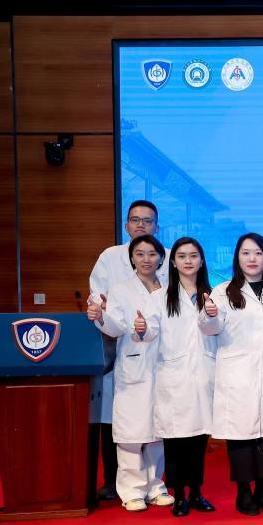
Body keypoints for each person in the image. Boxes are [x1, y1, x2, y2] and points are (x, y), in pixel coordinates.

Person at [88, 201, 167, 501]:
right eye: (135, 220)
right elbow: (112, 320)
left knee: (159, 429)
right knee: (130, 430)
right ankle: (131, 491)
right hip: (130, 359)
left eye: (147, 221)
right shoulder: (117, 278)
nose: (146, 259)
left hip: (164, 361)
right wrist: (100, 315)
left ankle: (156, 486)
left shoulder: (168, 278)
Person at [200, 233, 263, 517]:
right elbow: (209, 328)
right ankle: (244, 492)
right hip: (237, 373)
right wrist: (210, 314)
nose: (252, 258)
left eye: (258, 253)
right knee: (240, 436)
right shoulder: (223, 291)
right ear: (237, 258)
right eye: (246, 253)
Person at [153, 237, 217, 517]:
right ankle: (178, 495)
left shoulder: (213, 295)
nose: (188, 261)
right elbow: (148, 332)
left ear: (201, 261)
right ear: (173, 262)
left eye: (193, 256)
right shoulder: (160, 298)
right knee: (176, 440)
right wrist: (140, 329)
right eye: (182, 256)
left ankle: (196, 493)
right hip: (174, 377)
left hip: (203, 374)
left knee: (199, 440)